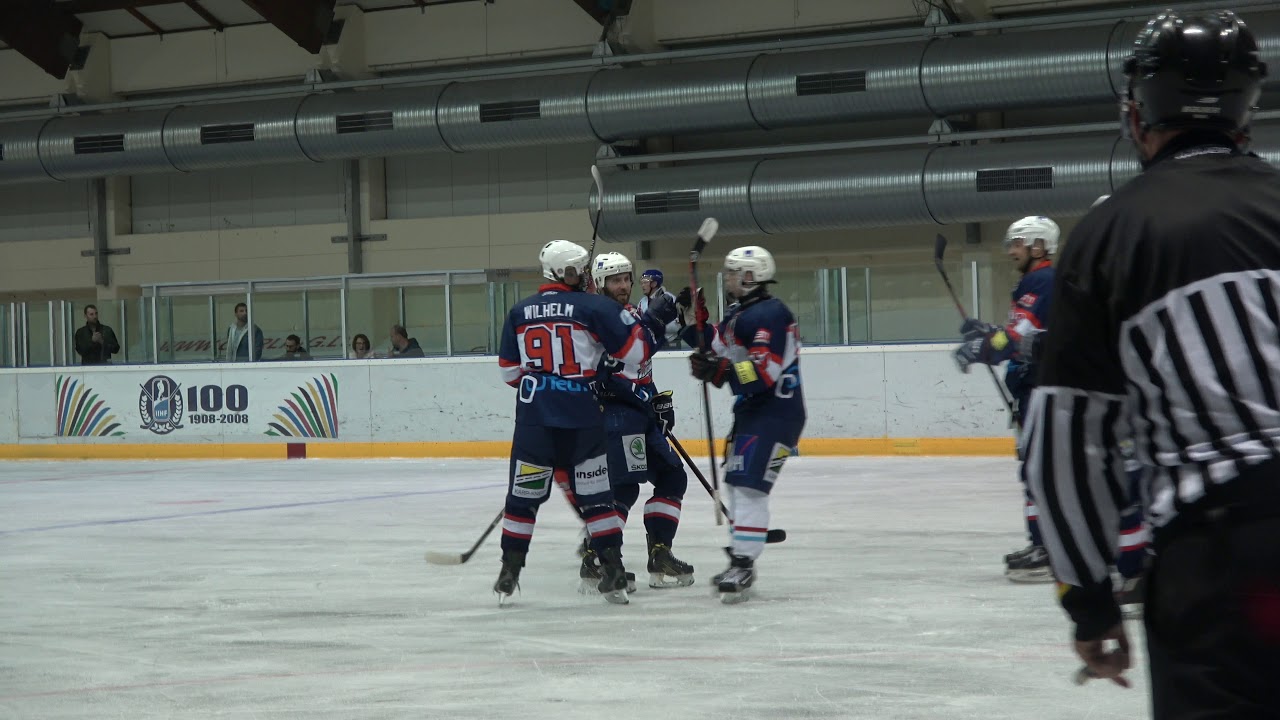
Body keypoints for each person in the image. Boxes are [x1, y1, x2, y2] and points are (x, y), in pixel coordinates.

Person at [1021, 10, 1279, 714]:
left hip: (1229, 559)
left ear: (1136, 114)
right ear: (1246, 112)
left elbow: (1067, 449)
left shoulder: (1113, 233)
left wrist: (1090, 602)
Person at [494, 239, 652, 605]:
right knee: (597, 498)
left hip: (534, 424)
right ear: (566, 272)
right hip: (582, 420)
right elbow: (637, 352)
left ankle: (509, 570)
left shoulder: (519, 311)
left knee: (523, 500)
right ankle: (612, 570)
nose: (584, 275)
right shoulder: (594, 306)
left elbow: (508, 373)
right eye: (580, 269)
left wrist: (547, 384)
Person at [685, 246, 805, 603]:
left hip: (776, 412)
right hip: (753, 412)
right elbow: (716, 348)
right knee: (737, 484)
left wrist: (718, 371)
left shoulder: (770, 313)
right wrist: (695, 322)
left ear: (751, 277)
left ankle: (743, 562)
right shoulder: (741, 314)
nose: (728, 278)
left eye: (734, 272)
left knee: (750, 487)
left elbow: (764, 371)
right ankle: (743, 550)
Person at [577, 252, 694, 591]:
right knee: (623, 487)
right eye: (616, 280)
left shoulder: (628, 314)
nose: (625, 285)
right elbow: (603, 376)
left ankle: (659, 552)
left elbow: (640, 364)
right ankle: (595, 558)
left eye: (627, 278)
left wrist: (656, 399)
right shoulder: (597, 320)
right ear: (600, 284)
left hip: (639, 414)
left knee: (672, 477)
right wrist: (642, 399)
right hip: (617, 416)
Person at [953, 215, 1058, 582]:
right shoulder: (1031, 283)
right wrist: (990, 332)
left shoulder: (1042, 281)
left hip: (1040, 390)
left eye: (1018, 243)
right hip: (1031, 390)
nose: (1011, 251)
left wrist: (983, 346)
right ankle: (1040, 544)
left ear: (1039, 246)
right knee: (1033, 470)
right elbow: (1017, 333)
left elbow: (1018, 340)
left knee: (1040, 471)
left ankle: (1049, 550)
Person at [638, 269, 681, 348]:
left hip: (670, 343)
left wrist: (655, 327)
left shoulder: (669, 298)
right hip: (650, 344)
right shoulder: (642, 302)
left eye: (645, 282)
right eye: (642, 283)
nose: (642, 285)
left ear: (654, 283)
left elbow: (678, 324)